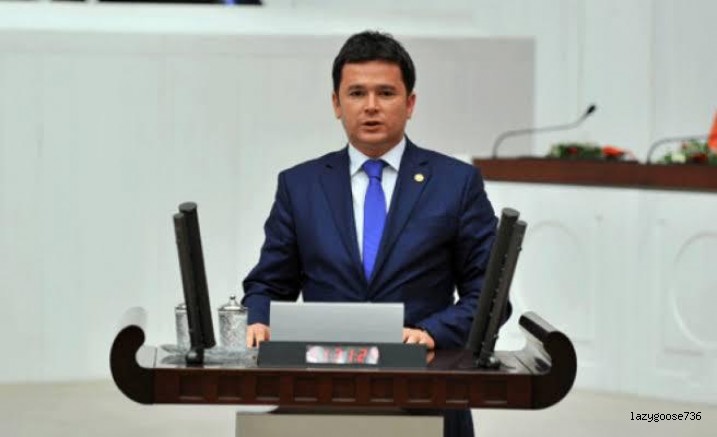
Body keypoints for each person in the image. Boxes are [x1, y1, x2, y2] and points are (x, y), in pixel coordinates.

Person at [241, 30, 502, 437]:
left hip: (425, 394)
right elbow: (269, 283)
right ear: (336, 103)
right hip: (320, 394)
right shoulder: (300, 185)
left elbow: (489, 294)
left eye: (386, 93)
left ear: (410, 103)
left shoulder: (457, 183)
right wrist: (258, 319)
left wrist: (431, 333)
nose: (371, 106)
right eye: (357, 93)